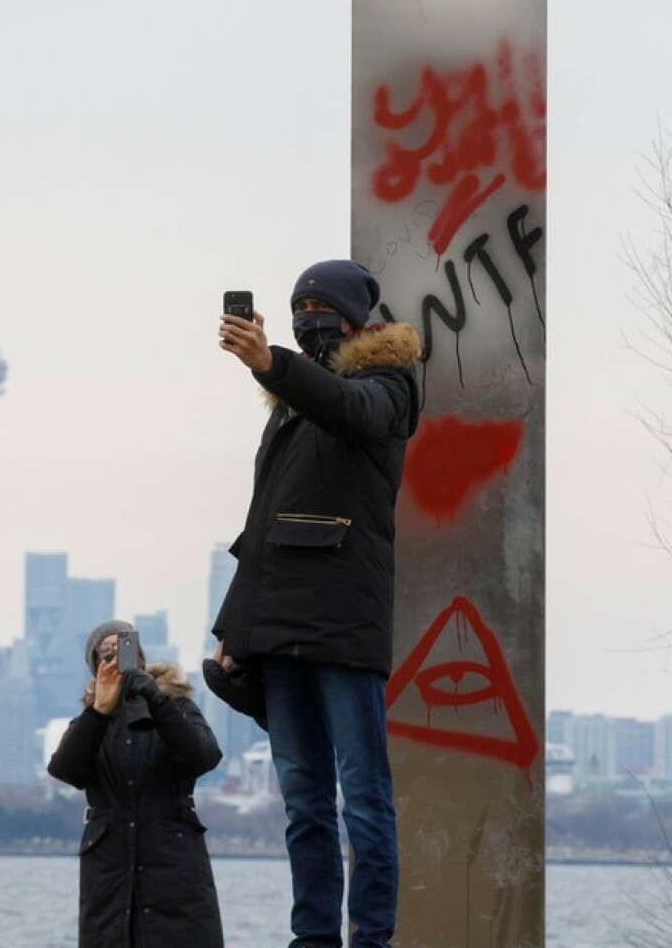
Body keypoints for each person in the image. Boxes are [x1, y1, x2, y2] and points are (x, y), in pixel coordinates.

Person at [211, 259, 422, 948]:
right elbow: (262, 524)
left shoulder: (387, 386)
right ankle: (312, 941)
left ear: (357, 319)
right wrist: (234, 629)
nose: (308, 318)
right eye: (298, 306)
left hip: (342, 627)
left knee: (364, 801)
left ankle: (371, 941)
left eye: (319, 307)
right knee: (304, 806)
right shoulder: (290, 413)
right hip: (276, 633)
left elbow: (346, 407)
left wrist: (270, 363)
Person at [46, 620, 225, 948]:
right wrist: (100, 711)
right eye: (106, 653)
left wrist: (156, 701)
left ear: (139, 655)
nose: (116, 659)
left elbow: (205, 757)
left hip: (174, 869)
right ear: (95, 666)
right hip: (109, 877)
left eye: (123, 648)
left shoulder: (176, 706)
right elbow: (64, 769)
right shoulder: (90, 721)